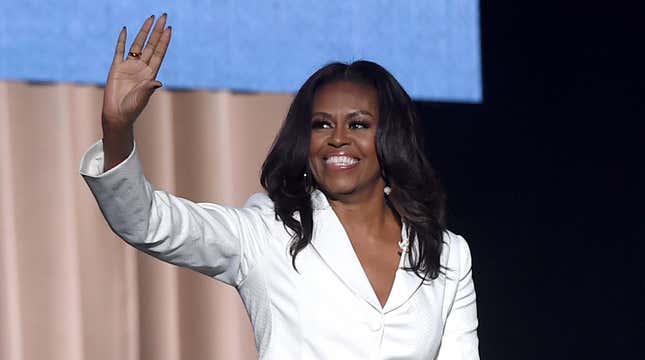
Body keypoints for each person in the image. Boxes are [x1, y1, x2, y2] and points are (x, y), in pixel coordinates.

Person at [80, 14, 479, 359]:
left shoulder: (448, 255)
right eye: (321, 124)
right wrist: (118, 130)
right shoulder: (269, 232)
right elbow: (148, 222)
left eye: (358, 124)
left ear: (390, 137)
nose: (337, 138)